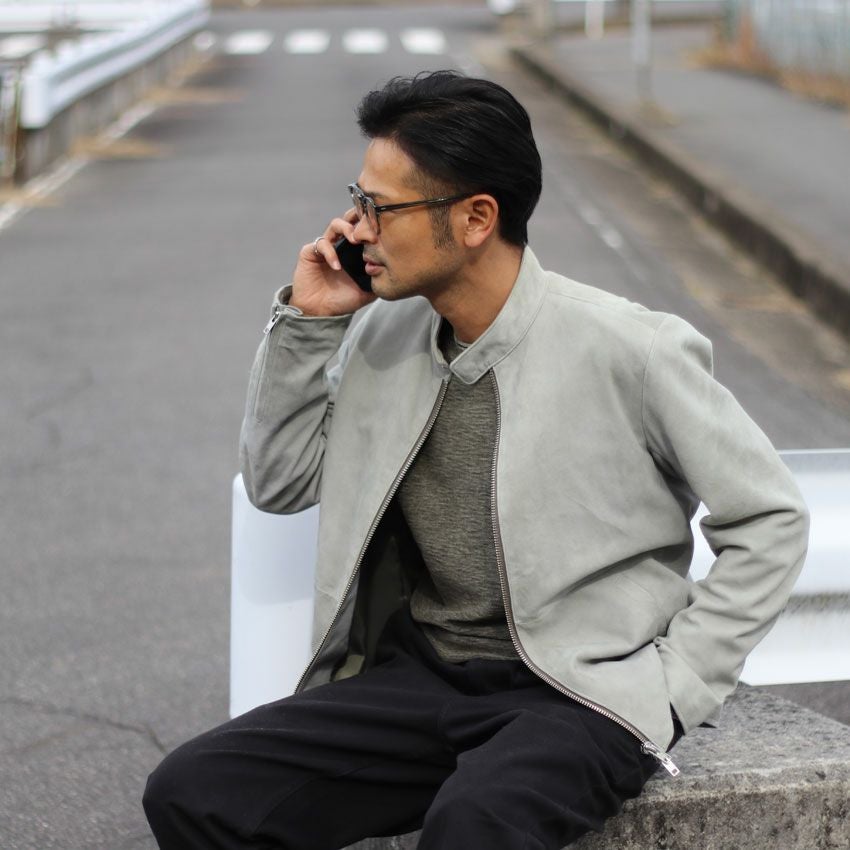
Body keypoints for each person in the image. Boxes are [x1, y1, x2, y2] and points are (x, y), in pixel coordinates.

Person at [143, 70, 809, 849]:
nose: (354, 229)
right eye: (357, 200)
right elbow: (279, 481)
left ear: (475, 218)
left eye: (379, 207)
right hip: (424, 677)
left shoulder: (631, 347)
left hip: (582, 690)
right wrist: (308, 322)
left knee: (475, 826)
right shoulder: (383, 338)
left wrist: (676, 685)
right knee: (194, 792)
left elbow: (771, 517)